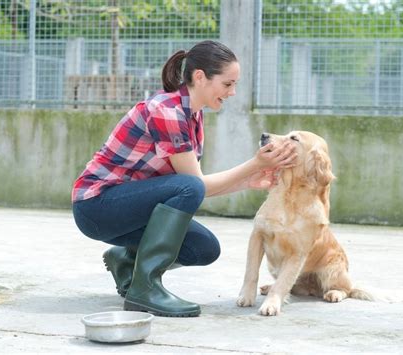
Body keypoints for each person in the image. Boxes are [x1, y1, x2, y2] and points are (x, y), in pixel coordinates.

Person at [71, 40, 297, 318]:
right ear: (200, 77)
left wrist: (247, 181)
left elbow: (187, 191)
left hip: (127, 208)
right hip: (96, 206)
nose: (233, 92)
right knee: (189, 186)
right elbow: (192, 185)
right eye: (227, 84)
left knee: (204, 249)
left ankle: (127, 260)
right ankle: (145, 289)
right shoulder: (167, 111)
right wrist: (255, 164)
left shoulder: (194, 115)